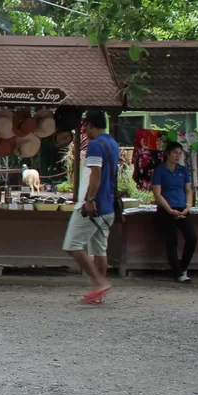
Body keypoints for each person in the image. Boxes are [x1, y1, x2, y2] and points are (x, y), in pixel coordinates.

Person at [64, 110, 121, 304]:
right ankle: (99, 296)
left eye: (85, 124)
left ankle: (98, 282)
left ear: (89, 124)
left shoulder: (95, 145)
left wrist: (89, 199)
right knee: (99, 249)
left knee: (72, 245)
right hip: (108, 206)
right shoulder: (112, 143)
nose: (84, 129)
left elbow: (95, 175)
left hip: (93, 207)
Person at [151, 141, 196, 283]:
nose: (177, 156)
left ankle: (182, 267)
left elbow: (188, 190)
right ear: (168, 153)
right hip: (166, 209)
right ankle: (178, 273)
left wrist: (188, 206)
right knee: (172, 241)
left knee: (192, 238)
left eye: (180, 153)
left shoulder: (183, 170)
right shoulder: (159, 171)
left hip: (182, 208)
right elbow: (157, 194)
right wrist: (169, 210)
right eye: (175, 153)